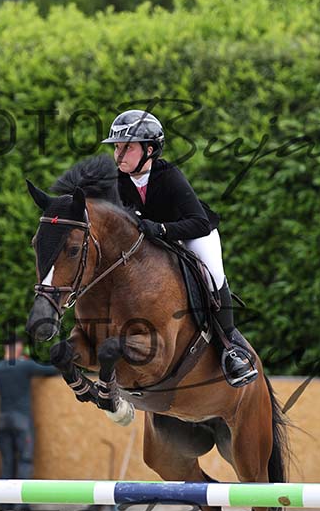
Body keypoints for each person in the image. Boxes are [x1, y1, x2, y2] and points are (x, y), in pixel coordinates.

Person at [102, 109, 258, 387]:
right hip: (154, 241)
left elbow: (198, 222)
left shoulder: (169, 175)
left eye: (127, 148)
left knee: (212, 275)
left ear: (149, 150)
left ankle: (230, 346)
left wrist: (162, 229)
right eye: (117, 148)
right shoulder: (116, 181)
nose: (119, 154)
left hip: (193, 233)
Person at [0, 337, 59, 478]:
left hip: (3, 419)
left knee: (7, 461)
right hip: (21, 419)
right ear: (17, 348)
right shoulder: (25, 366)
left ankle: (4, 492)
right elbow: (51, 370)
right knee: (25, 459)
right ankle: (22, 493)